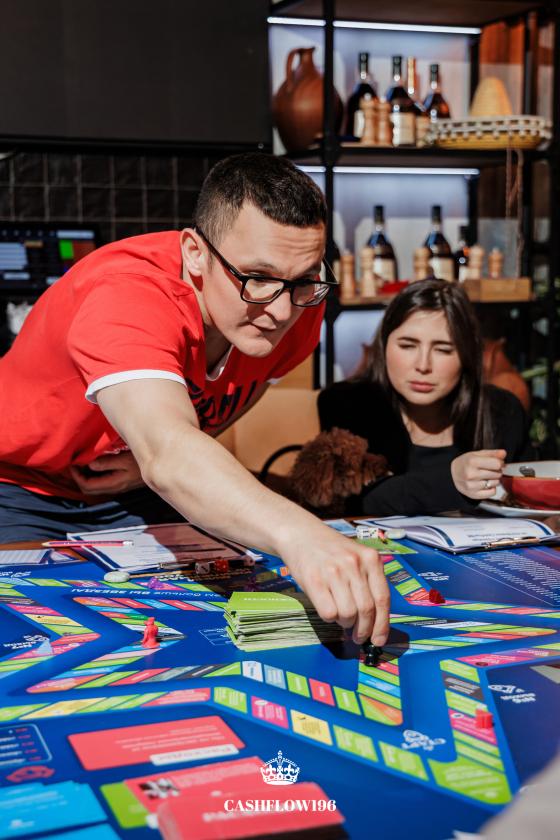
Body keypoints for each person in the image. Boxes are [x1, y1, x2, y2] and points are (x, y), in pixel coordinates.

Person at [0, 153, 389, 647]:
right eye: (257, 278)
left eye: (304, 278)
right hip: (21, 485)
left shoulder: (299, 301)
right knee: (35, 639)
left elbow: (235, 395)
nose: (280, 311)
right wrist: (302, 533)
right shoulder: (127, 296)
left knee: (195, 630)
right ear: (195, 253)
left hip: (138, 487)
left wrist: (148, 458)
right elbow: (168, 452)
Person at [315, 278, 530, 516]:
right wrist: (451, 481)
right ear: (384, 345)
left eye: (443, 350)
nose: (423, 365)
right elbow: (350, 502)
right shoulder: (347, 403)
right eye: (408, 346)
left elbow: (529, 496)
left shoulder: (501, 410)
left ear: (467, 355)